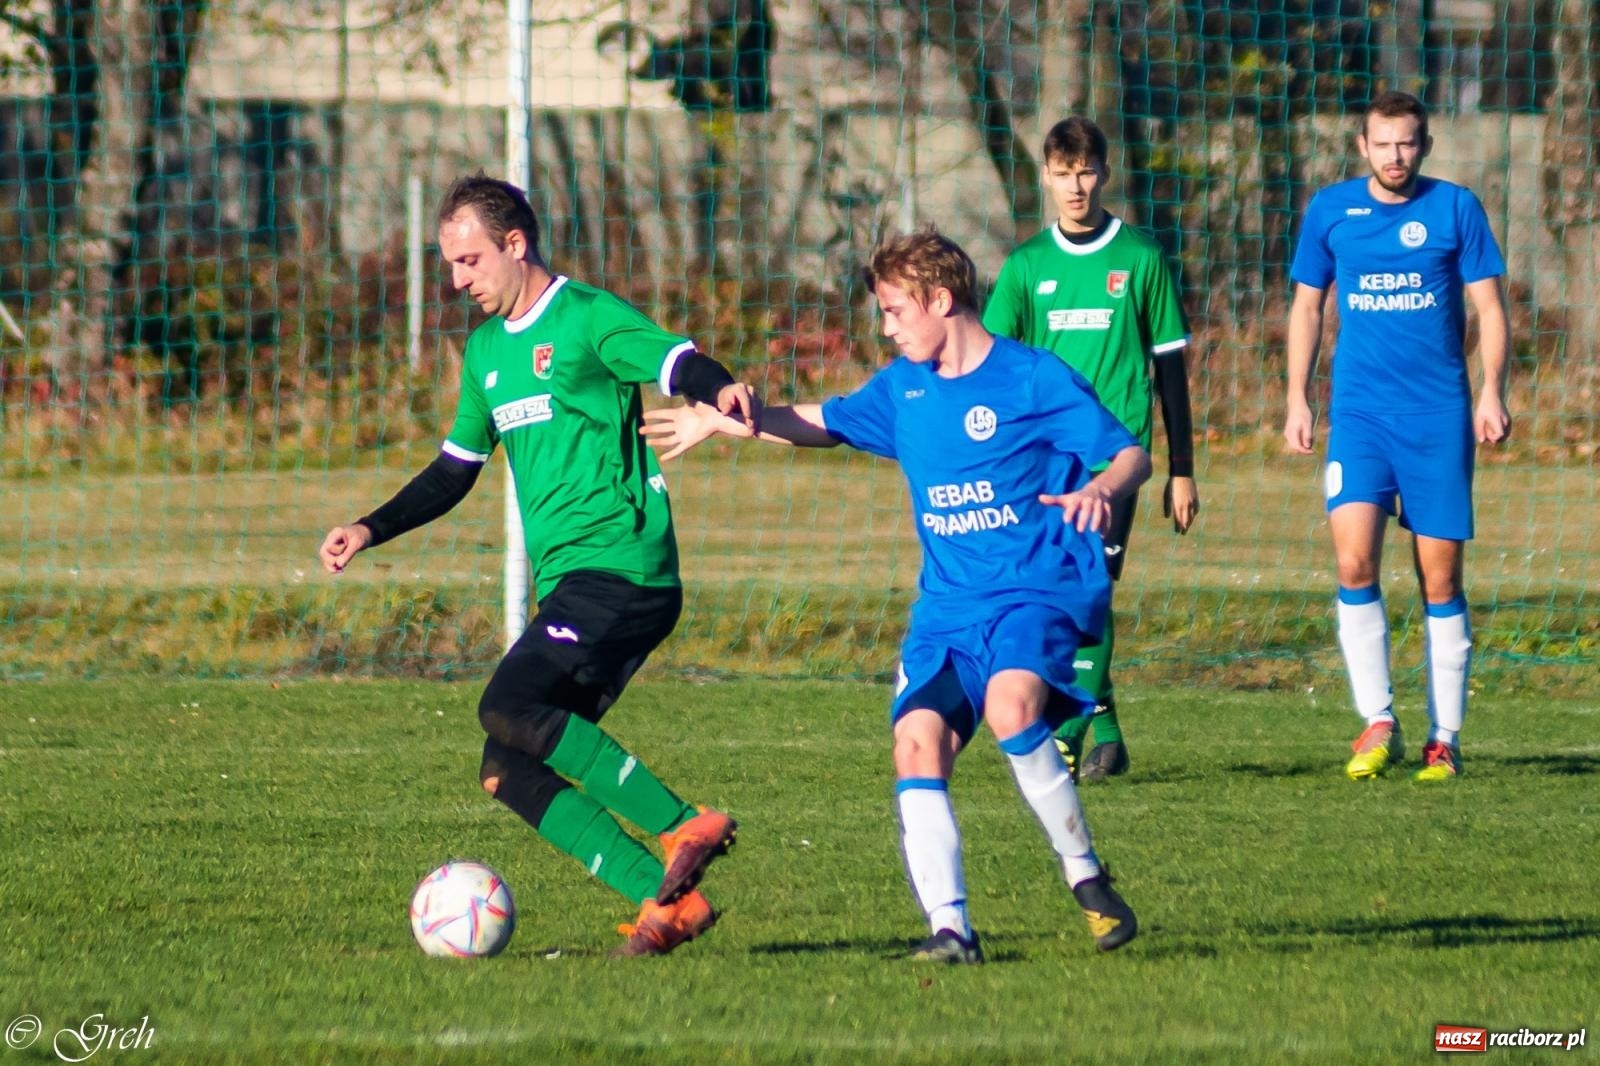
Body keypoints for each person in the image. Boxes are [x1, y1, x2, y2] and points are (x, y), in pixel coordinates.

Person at [644, 226, 1147, 962]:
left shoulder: (1032, 378)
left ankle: (1086, 877)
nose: (884, 327)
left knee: (1011, 707)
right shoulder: (904, 389)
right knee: (915, 745)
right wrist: (722, 421)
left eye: (893, 311)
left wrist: (1101, 487)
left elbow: (1131, 451)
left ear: (941, 301)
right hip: (947, 609)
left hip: (1032, 591)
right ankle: (952, 930)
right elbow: (823, 421)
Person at [318, 172, 755, 955]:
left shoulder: (586, 318)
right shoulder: (485, 353)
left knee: (507, 704)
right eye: (449, 263)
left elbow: (675, 361)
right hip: (577, 586)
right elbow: (455, 470)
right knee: (504, 766)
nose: (457, 281)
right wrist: (370, 526)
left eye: (470, 261)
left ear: (515, 244)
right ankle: (669, 910)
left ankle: (683, 823)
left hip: (623, 569)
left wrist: (719, 390)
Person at [1283, 91, 1511, 782]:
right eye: (1383, 143)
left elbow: (1491, 311)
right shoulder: (1330, 210)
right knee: (1354, 564)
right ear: (1362, 146)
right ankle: (1378, 720)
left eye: (1407, 143)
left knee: (1439, 578)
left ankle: (1445, 736)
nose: (1395, 155)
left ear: (1426, 144)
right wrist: (1296, 397)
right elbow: (1306, 307)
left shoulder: (1455, 209)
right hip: (1359, 417)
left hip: (1438, 418)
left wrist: (1491, 390)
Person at [982, 116, 1199, 782]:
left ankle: (1069, 731)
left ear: (1104, 173)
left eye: (1085, 171)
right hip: (1042, 461)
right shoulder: (1026, 268)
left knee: (1092, 588)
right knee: (1045, 590)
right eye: (1062, 172)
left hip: (1115, 461)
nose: (1075, 186)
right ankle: (1103, 730)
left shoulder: (1140, 259)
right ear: (1045, 176)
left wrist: (1183, 471)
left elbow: (1169, 370)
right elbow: (994, 364)